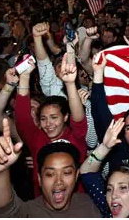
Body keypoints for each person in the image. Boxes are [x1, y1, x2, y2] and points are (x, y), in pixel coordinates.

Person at [0, 125, 101, 218]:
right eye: (50, 174)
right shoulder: (28, 212)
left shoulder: (90, 203)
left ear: (76, 176)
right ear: (39, 179)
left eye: (67, 172)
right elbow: (0, 211)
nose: (58, 181)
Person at [14, 54, 87, 195]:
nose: (48, 124)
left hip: (75, 205)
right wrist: (24, 78)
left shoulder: (76, 136)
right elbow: (22, 118)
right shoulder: (36, 138)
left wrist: (70, 84)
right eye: (43, 118)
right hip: (43, 207)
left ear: (65, 117)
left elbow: (78, 118)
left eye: (54, 117)